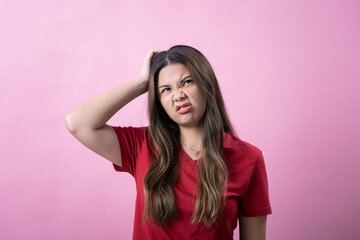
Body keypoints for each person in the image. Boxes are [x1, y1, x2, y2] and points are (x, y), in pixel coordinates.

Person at [65, 45, 272, 240]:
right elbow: (78, 123)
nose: (178, 95)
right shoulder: (142, 145)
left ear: (206, 83)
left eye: (187, 82)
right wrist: (141, 83)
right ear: (159, 101)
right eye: (165, 90)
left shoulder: (248, 158)